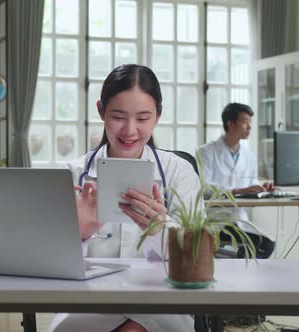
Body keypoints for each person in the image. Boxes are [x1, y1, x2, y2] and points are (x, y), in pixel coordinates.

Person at [48, 64, 202, 332]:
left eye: (143, 119)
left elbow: (197, 260)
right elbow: (45, 265)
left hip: (161, 301)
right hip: (87, 303)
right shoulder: (70, 175)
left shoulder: (179, 172)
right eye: (118, 116)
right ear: (101, 111)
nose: (130, 130)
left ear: (158, 116)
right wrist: (79, 233)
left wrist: (160, 230)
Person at [198, 102, 275, 259]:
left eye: (250, 122)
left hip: (239, 218)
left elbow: (249, 187)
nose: (250, 126)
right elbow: (203, 187)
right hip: (215, 219)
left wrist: (262, 188)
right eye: (245, 121)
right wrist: (236, 191)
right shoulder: (207, 152)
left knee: (267, 244)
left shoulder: (249, 157)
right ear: (231, 124)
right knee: (260, 244)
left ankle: (242, 271)